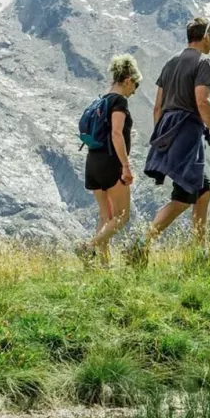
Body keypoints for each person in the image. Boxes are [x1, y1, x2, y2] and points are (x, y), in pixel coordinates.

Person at [142, 17, 210, 253]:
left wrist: (163, 139)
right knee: (183, 197)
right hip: (187, 133)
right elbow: (202, 102)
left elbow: (157, 108)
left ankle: (199, 250)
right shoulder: (203, 62)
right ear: (206, 37)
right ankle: (141, 245)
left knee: (203, 190)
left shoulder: (170, 63)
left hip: (167, 131)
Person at [78, 55, 141, 264]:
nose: (134, 92)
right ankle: (88, 247)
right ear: (128, 80)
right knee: (122, 217)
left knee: (106, 217)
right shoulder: (119, 101)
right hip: (111, 163)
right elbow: (116, 133)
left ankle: (103, 266)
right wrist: (126, 166)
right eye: (135, 86)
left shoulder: (100, 100)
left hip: (93, 162)